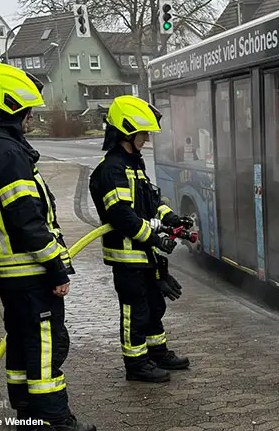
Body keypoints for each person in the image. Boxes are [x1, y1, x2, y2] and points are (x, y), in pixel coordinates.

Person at [0, 63, 93, 431]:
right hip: (31, 271)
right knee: (46, 348)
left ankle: (28, 417)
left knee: (21, 346)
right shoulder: (6, 152)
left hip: (10, 272)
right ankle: (54, 420)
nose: (30, 118)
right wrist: (56, 267)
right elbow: (26, 219)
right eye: (26, 111)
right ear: (8, 108)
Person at [89, 95, 193, 383]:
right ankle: (136, 364)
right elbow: (121, 215)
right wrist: (156, 240)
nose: (146, 139)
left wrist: (172, 219)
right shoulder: (112, 169)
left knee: (154, 306)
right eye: (143, 133)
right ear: (127, 132)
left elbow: (150, 204)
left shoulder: (134, 165)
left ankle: (157, 353)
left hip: (144, 254)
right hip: (127, 256)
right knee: (135, 311)